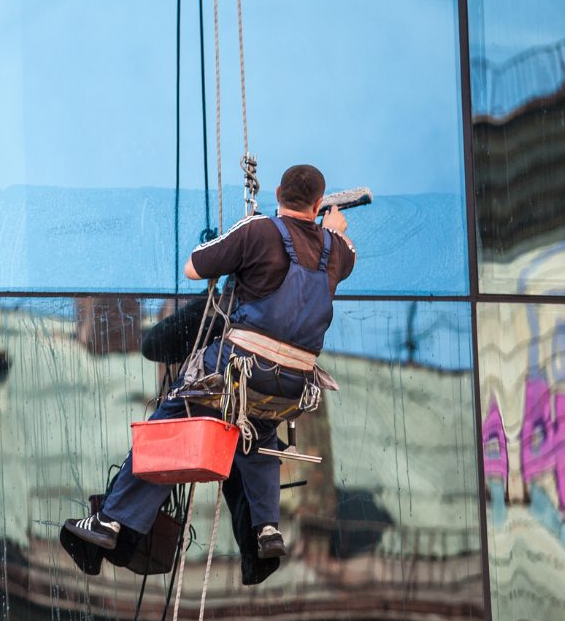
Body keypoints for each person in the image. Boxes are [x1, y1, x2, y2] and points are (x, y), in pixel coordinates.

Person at [65, 164, 354, 561]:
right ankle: (267, 529)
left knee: (170, 427)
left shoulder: (258, 231)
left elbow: (193, 267)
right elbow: (341, 249)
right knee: (262, 434)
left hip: (239, 365)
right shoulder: (336, 248)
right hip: (292, 382)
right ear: (319, 203)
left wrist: (241, 239)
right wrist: (334, 227)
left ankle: (111, 520)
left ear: (276, 192)